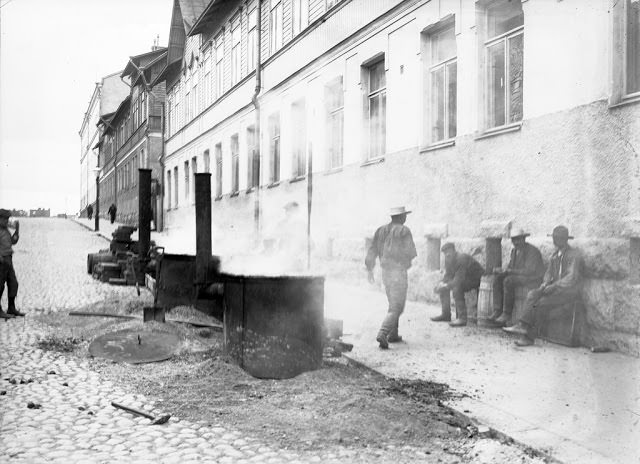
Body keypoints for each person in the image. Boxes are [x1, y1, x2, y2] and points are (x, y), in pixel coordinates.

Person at [503, 225, 583, 347]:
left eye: (558, 238)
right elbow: (548, 273)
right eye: (554, 238)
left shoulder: (574, 255)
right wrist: (545, 284)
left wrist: (554, 286)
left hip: (569, 292)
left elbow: (571, 278)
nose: (555, 240)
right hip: (556, 290)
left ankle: (528, 337)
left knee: (539, 304)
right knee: (533, 294)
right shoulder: (555, 255)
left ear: (565, 239)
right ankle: (522, 325)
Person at [365, 206, 417, 349]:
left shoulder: (380, 230)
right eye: (404, 216)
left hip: (385, 273)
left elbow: (372, 251)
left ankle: (393, 334)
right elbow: (411, 252)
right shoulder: (404, 230)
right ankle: (383, 333)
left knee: (393, 303)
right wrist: (405, 263)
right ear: (401, 217)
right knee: (397, 307)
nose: (406, 218)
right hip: (398, 272)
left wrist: (370, 270)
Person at [488, 228, 545, 327]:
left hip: (533, 279)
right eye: (514, 240)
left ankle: (507, 313)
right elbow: (511, 267)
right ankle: (497, 310)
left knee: (508, 281)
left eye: (518, 239)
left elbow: (530, 271)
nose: (516, 242)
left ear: (524, 239)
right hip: (521, 277)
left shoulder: (532, 251)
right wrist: (502, 270)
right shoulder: (514, 251)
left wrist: (510, 271)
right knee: (498, 278)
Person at [432, 242, 484, 327]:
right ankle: (446, 315)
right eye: (445, 253)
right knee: (442, 287)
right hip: (464, 278)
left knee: (456, 288)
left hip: (477, 279)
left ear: (454, 251)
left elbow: (458, 280)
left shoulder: (461, 258)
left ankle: (462, 318)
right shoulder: (448, 259)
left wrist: (446, 285)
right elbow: (448, 275)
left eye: (449, 251)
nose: (447, 254)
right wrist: (441, 283)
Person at [0, 209, 25, 318]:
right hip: (1, 260)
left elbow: (13, 241)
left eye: (7, 219)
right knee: (0, 286)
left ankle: (11, 307)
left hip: (8, 259)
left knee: (13, 283)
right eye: (4, 219)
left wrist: (17, 231)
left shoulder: (5, 230)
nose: (6, 221)